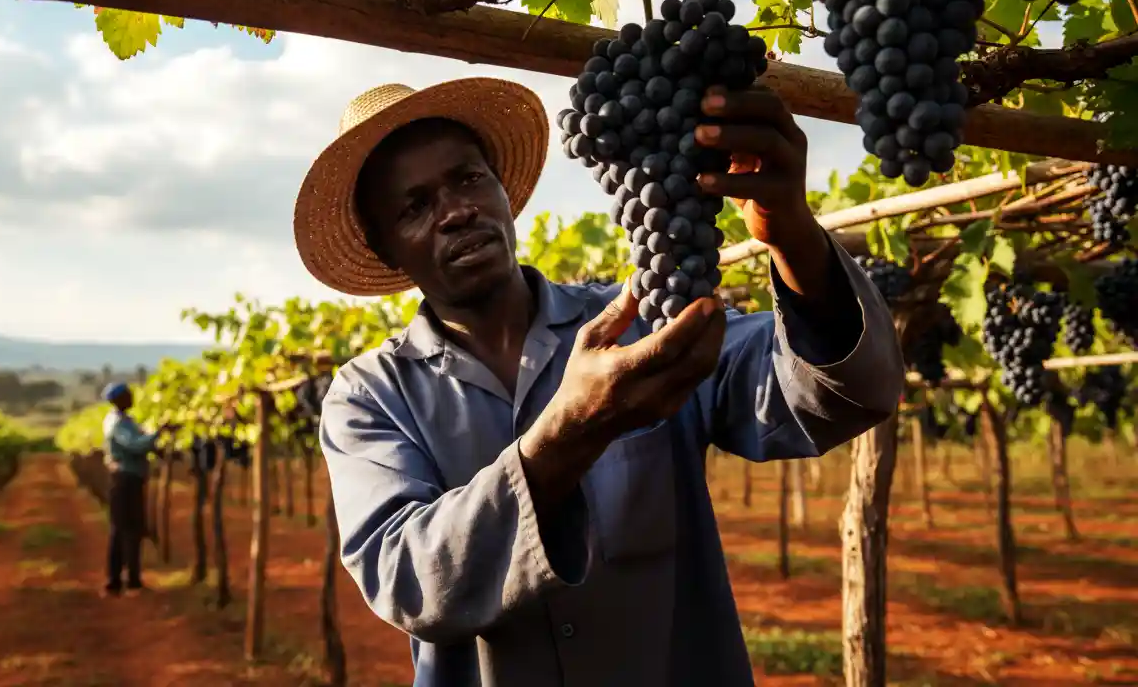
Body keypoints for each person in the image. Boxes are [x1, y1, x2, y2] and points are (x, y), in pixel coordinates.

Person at [294, 78, 904, 686]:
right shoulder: (369, 396)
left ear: (503, 191)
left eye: (468, 178)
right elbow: (409, 579)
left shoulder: (640, 320)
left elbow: (838, 395)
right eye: (415, 206)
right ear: (387, 249)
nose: (456, 210)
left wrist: (792, 235)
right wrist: (568, 433)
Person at [100, 382, 164, 597]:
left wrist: (156, 443)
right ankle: (118, 582)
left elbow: (142, 442)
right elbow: (135, 445)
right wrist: (159, 432)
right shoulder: (117, 423)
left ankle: (129, 580)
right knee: (125, 530)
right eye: (128, 395)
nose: (132, 398)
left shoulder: (125, 421)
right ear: (118, 399)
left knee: (131, 529)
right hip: (124, 480)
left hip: (130, 479)